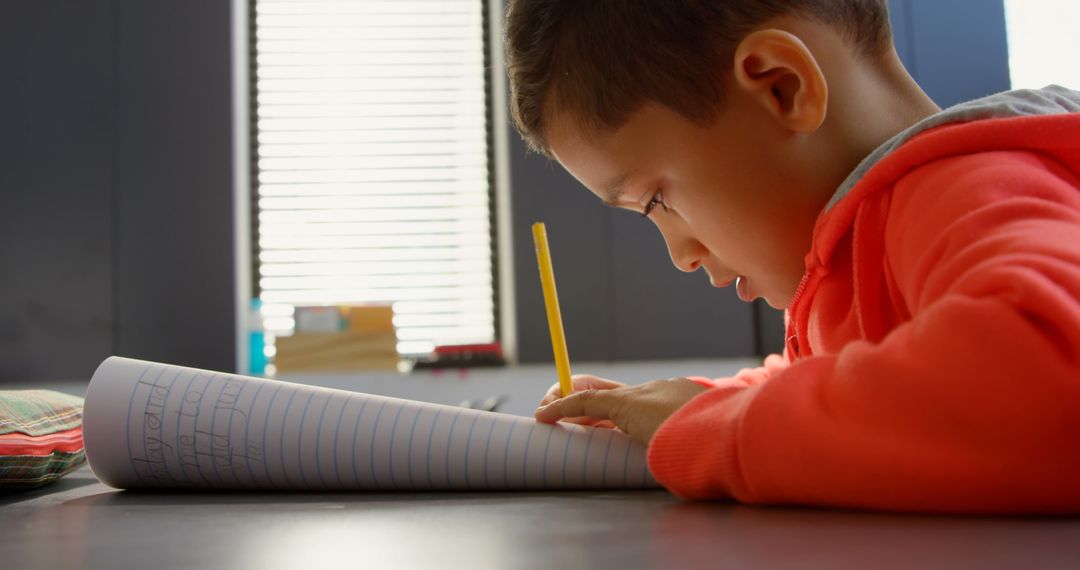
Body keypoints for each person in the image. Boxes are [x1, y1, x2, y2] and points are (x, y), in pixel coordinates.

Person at [505, 0, 1080, 512]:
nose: (680, 255)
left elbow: (1050, 377)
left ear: (782, 87)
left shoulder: (967, 191)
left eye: (657, 200)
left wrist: (714, 428)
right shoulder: (864, 244)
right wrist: (694, 405)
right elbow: (852, 390)